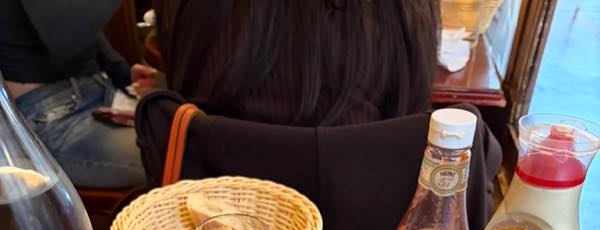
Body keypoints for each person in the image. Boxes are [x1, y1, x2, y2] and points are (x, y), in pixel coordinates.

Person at [153, 0, 440, 127]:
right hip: (365, 219)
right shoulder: (398, 10)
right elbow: (408, 112)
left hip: (212, 217)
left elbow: (184, 87)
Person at [0, 0, 157, 187]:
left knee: (182, 131)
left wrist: (124, 74)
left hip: (99, 91)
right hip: (50, 120)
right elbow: (62, 32)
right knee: (178, 152)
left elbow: (77, 30)